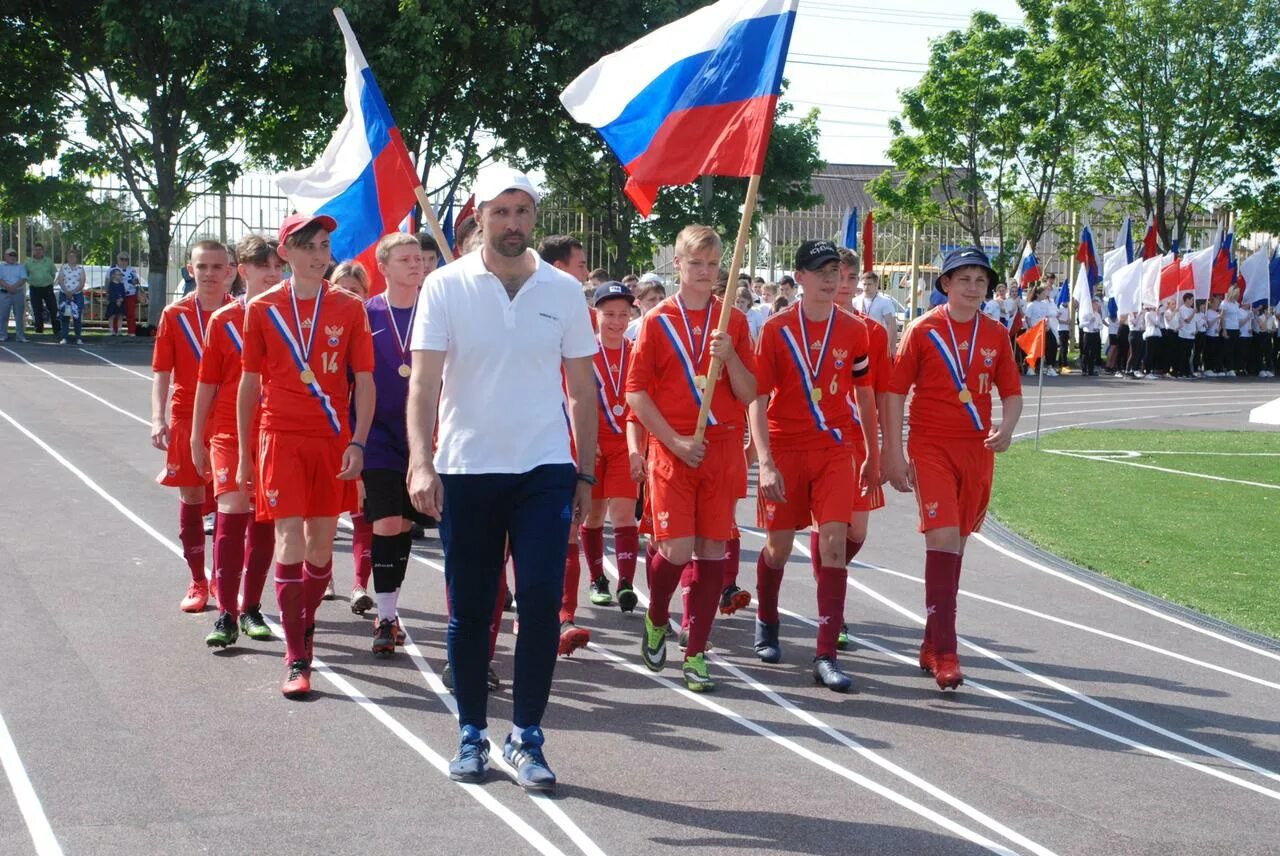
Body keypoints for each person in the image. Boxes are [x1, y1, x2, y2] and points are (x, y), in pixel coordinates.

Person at [407, 165, 597, 791]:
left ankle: (527, 738)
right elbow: (426, 384)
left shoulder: (564, 291)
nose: (513, 224)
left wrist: (586, 469)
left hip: (545, 467)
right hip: (467, 467)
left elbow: (581, 390)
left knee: (541, 603)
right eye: (501, 212)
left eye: (522, 212)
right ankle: (470, 733)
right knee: (471, 607)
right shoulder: (444, 286)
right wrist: (420, 460)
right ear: (478, 216)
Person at [237, 213, 375, 698]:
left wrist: (358, 441)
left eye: (325, 246)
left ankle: (305, 623)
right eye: (310, 246)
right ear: (287, 253)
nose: (321, 255)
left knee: (320, 548)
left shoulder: (350, 308)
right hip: (281, 437)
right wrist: (243, 455)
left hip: (332, 439)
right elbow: (249, 386)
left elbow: (366, 383)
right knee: (288, 537)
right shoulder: (263, 309)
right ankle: (297, 655)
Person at [881, 246, 1023, 691]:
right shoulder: (923, 331)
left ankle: (931, 641)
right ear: (945, 284)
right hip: (931, 446)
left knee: (957, 548)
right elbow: (893, 393)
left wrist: (1009, 425)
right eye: (963, 279)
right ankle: (946, 652)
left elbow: (1012, 392)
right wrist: (894, 453)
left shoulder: (996, 334)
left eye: (980, 280)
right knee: (941, 538)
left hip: (976, 450)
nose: (972, 287)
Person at [625, 224, 756, 693]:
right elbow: (637, 394)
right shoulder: (657, 321)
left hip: (720, 450)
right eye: (695, 263)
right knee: (677, 551)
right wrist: (675, 443)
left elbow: (750, 391)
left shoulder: (734, 323)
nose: (705, 272)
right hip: (673, 449)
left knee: (713, 551)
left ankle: (697, 651)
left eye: (713, 264)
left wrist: (731, 358)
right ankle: (658, 616)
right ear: (677, 264)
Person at [750, 240, 876, 692]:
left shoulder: (855, 329)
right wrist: (764, 461)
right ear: (799, 277)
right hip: (786, 448)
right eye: (819, 270)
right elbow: (757, 399)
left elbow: (864, 393)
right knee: (778, 548)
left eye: (836, 270)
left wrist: (873, 454)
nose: (830, 277)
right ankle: (766, 620)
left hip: (836, 449)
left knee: (834, 544)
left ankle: (826, 652)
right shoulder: (776, 328)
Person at [190, 234, 283, 647]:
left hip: (274, 433)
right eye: (266, 268)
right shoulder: (223, 320)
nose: (275, 275)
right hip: (228, 433)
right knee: (232, 512)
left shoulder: (286, 317)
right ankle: (225, 613)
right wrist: (196, 438)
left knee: (264, 520)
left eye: (279, 268)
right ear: (244, 272)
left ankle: (251, 607)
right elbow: (206, 384)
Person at [361, 232, 433, 656]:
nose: (416, 265)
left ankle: (390, 605)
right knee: (386, 522)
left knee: (405, 526)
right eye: (405, 259)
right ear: (383, 267)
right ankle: (386, 618)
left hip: (426, 436)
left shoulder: (437, 310)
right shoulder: (365, 314)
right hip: (379, 435)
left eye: (420, 259)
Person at [151, 240, 233, 613]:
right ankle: (199, 579)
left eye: (218, 267)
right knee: (192, 498)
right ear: (190, 269)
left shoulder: (243, 312)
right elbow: (161, 371)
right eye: (203, 266)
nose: (210, 273)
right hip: (187, 418)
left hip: (231, 419)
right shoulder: (175, 313)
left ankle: (223, 578)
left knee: (231, 504)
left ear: (231, 270)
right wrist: (158, 417)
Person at [578, 282, 642, 621]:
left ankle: (627, 583)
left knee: (623, 513)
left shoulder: (637, 350)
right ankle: (598, 578)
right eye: (608, 315)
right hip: (594, 444)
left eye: (622, 314)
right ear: (596, 315)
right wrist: (588, 439)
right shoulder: (584, 351)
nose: (616, 322)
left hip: (627, 446)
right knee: (593, 514)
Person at [852, 270, 898, 355]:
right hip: (860, 340)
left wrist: (889, 346)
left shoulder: (885, 301)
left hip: (878, 341)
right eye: (864, 284)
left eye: (869, 284)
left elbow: (891, 325)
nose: (866, 287)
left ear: (876, 285)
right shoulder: (855, 301)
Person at [25, 243, 59, 338]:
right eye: (36, 249)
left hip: (47, 288)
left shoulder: (48, 261)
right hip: (34, 288)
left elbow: (53, 274)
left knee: (53, 309)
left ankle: (57, 331)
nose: (38, 251)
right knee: (37, 310)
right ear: (33, 251)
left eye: (40, 249)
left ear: (43, 251)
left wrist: (49, 281)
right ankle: (39, 332)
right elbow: (25, 274)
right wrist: (31, 281)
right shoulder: (28, 262)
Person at [55, 249, 86, 344]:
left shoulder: (80, 269)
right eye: (70, 256)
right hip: (64, 294)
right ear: (67, 258)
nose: (71, 258)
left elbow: (82, 282)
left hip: (77, 295)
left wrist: (73, 292)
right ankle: (64, 337)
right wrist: (67, 291)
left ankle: (78, 337)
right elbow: (60, 280)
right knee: (65, 316)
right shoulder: (64, 268)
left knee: (77, 316)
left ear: (77, 258)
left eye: (73, 256)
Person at [110, 252, 143, 336]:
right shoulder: (113, 269)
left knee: (131, 313)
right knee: (116, 313)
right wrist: (108, 293)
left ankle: (131, 332)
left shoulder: (132, 269)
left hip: (130, 294)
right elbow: (107, 281)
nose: (124, 261)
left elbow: (136, 281)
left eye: (126, 259)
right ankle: (115, 331)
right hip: (117, 294)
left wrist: (134, 281)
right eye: (122, 259)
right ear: (118, 259)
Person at [0, 248, 28, 342]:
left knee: (19, 316)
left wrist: (13, 287)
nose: (12, 257)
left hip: (18, 293)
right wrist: (9, 287)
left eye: (14, 255)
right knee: (3, 315)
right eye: (10, 255)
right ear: (5, 256)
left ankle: (20, 336)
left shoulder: (21, 266)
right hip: (4, 293)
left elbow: (23, 279)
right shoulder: (1, 266)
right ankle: (3, 335)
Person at [625, 275, 665, 341]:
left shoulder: (672, 328)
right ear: (638, 302)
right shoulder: (628, 331)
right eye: (652, 299)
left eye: (661, 299)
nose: (658, 304)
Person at [1079, 297, 1103, 376]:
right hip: (1088, 334)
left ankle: (1091, 370)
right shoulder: (1086, 314)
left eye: (1097, 305)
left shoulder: (1097, 315)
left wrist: (1098, 328)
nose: (1097, 306)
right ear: (1091, 305)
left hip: (1095, 334)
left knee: (1093, 353)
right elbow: (1081, 325)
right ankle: (1084, 370)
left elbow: (1101, 325)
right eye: (1095, 304)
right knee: (1086, 352)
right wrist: (1089, 322)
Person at [106, 269, 127, 335]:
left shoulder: (121, 284)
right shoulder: (111, 285)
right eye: (119, 274)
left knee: (120, 316)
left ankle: (119, 330)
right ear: (113, 276)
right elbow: (111, 294)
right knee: (112, 316)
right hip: (113, 302)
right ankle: (111, 330)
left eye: (121, 275)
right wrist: (116, 300)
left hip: (121, 302)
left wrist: (121, 299)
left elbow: (123, 293)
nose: (120, 276)